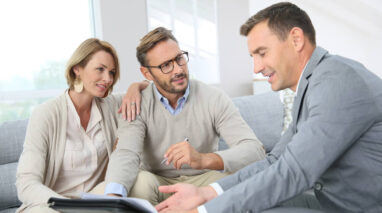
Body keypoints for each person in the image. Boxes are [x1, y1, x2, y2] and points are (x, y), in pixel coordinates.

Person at [155, 2, 382, 213]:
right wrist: (207, 193)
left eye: (262, 53)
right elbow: (276, 161)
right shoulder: (313, 85)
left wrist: (203, 211)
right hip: (332, 202)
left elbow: (294, 171)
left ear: (296, 39)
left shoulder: (338, 81)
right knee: (247, 204)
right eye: (253, 56)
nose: (256, 67)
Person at [104, 27, 266, 205]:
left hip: (203, 180)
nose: (178, 70)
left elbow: (254, 150)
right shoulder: (137, 103)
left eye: (179, 58)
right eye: (166, 65)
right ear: (147, 73)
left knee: (237, 179)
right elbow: (127, 152)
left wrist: (204, 159)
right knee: (140, 182)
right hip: (158, 183)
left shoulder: (213, 97)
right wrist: (113, 199)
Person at [15, 38, 147, 213]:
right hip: (51, 205)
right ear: (77, 69)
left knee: (143, 180)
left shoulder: (110, 105)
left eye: (112, 72)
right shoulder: (45, 114)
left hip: (93, 202)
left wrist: (134, 88)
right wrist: (69, 207)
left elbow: (149, 89)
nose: (107, 79)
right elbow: (26, 184)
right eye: (100, 69)